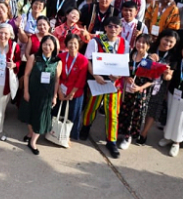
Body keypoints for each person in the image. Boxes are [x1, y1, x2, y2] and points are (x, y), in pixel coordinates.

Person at [80, 18, 128, 158]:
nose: (113, 29)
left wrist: (118, 75)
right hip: (98, 80)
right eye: (110, 26)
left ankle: (111, 140)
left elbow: (124, 63)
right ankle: (86, 127)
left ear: (120, 29)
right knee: (91, 107)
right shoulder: (96, 41)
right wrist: (95, 75)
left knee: (113, 112)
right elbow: (87, 61)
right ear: (105, 28)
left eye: (116, 26)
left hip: (114, 83)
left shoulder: (124, 43)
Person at [19, 35, 61, 155]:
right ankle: (30, 132)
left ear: (54, 47)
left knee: (40, 117)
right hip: (33, 90)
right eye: (45, 44)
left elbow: (57, 80)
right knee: (29, 113)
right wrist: (26, 91)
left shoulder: (57, 62)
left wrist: (55, 96)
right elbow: (26, 75)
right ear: (41, 45)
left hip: (46, 94)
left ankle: (33, 141)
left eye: (50, 45)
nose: (47, 47)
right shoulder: (34, 58)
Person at [117, 34, 156, 150]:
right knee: (123, 111)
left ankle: (128, 137)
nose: (140, 44)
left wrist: (140, 88)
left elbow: (151, 81)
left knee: (134, 115)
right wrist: (126, 77)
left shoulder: (149, 61)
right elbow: (122, 69)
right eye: (139, 41)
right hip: (126, 91)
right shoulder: (130, 55)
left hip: (138, 93)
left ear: (148, 46)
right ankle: (120, 133)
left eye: (144, 43)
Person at [57, 33, 89, 141]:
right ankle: (56, 133)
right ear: (66, 44)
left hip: (76, 93)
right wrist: (59, 92)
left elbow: (81, 80)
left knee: (73, 115)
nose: (72, 45)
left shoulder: (83, 60)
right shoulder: (61, 57)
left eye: (75, 43)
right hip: (61, 89)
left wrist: (72, 93)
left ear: (79, 44)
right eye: (70, 43)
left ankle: (70, 136)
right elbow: (57, 76)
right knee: (58, 113)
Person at [159, 44, 183, 156]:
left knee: (181, 119)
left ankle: (177, 142)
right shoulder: (177, 61)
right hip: (174, 92)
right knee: (171, 115)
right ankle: (167, 137)